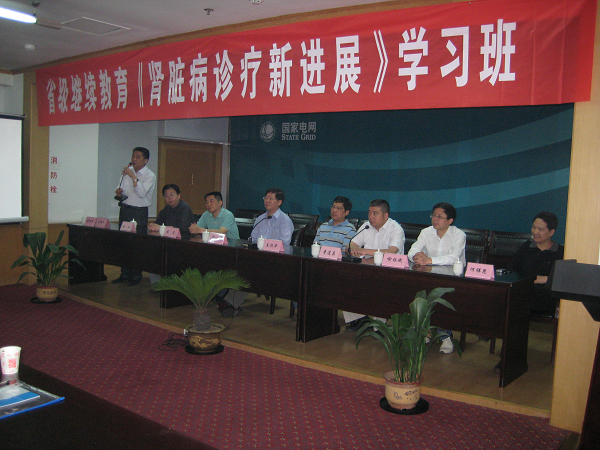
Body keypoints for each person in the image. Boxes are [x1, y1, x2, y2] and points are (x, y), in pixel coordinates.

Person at [407, 202, 466, 353]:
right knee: (418, 294)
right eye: (433, 215)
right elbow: (412, 250)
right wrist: (416, 256)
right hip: (429, 276)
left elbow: (453, 257)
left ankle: (446, 336)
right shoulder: (426, 232)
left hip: (452, 279)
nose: (435, 219)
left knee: (443, 301)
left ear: (450, 220)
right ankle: (425, 331)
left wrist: (429, 260)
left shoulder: (459, 235)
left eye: (440, 216)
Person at [344, 199, 405, 332]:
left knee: (380, 284)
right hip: (368, 268)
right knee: (347, 280)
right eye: (369, 213)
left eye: (375, 213)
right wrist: (353, 248)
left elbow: (392, 251)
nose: (370, 216)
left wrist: (365, 251)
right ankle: (361, 319)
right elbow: (351, 244)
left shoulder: (396, 229)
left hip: (391, 271)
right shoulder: (366, 226)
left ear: (385, 215)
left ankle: (379, 326)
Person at [112, 147, 156, 286]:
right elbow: (121, 187)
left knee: (138, 244)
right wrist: (119, 191)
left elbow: (141, 193)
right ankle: (124, 273)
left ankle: (136, 275)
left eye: (138, 157)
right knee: (124, 242)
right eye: (133, 156)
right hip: (125, 210)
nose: (134, 159)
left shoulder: (149, 175)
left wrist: (133, 176)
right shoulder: (127, 172)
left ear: (145, 160)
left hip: (139, 212)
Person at [508, 211, 564, 315]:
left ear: (551, 232)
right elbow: (512, 270)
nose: (535, 232)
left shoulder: (560, 252)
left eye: (540, 229)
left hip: (546, 298)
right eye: (533, 227)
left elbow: (562, 280)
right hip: (524, 293)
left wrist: (546, 279)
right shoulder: (526, 247)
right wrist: (532, 279)